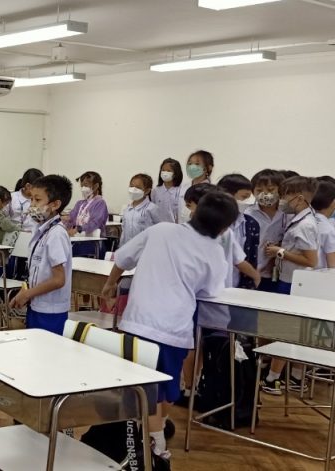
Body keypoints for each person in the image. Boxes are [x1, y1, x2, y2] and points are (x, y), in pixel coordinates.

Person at [101, 191, 237, 463]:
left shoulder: (161, 230)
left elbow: (122, 259)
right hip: (173, 328)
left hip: (137, 322)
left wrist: (110, 284)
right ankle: (156, 446)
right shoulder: (214, 252)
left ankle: (153, 434)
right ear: (224, 228)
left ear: (195, 211)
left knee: (144, 387)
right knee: (166, 386)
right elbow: (210, 291)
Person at [261, 176, 321, 395]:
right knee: (290, 330)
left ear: (299, 198)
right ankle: (295, 376)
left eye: (285, 196)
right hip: (291, 280)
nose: (281, 200)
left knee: (285, 332)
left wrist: (280, 252)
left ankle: (273, 378)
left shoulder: (305, 225)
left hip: (294, 283)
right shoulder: (301, 219)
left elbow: (311, 260)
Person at [8, 175, 74, 335]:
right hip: (37, 304)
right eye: (31, 199)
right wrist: (26, 292)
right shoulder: (42, 230)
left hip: (51, 311)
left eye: (37, 200)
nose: (32, 205)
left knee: (46, 348)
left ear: (55, 204)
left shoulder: (56, 234)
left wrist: (27, 294)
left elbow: (59, 280)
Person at [185, 184, 261, 289]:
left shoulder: (226, 233)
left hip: (223, 288)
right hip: (194, 288)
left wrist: (256, 276)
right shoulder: (185, 232)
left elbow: (238, 260)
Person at [217, 174, 262, 289]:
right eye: (244, 197)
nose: (245, 202)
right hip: (211, 283)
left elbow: (250, 256)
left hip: (238, 284)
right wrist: (255, 276)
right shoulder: (209, 223)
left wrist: (254, 277)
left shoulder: (250, 224)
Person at [245, 169, 287, 292]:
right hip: (252, 271)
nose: (265, 194)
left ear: (281, 190)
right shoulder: (248, 214)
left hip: (277, 273)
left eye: (270, 189)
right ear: (252, 192)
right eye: (259, 190)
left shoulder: (287, 215)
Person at [66, 171, 108, 259]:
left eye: (85, 185)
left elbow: (95, 223)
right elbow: (71, 218)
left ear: (96, 186)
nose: (83, 188)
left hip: (92, 244)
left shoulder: (100, 203)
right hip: (78, 240)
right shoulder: (80, 203)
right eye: (81, 186)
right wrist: (64, 222)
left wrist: (78, 229)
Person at [311, 180, 335, 269]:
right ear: (334, 202)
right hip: (317, 274)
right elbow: (332, 264)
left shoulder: (306, 220)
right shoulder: (328, 229)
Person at [121, 173, 160, 246]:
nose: (133, 189)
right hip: (128, 247)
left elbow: (159, 230)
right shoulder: (127, 209)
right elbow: (124, 232)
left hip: (145, 248)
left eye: (138, 187)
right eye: (131, 186)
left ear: (147, 191)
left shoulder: (152, 208)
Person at [177, 150, 215, 223]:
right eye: (190, 163)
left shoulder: (212, 190)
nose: (192, 167)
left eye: (197, 164)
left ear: (209, 167)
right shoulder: (183, 187)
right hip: (181, 226)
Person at [152, 157, 184, 224]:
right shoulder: (155, 191)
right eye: (163, 170)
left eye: (169, 171)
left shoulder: (181, 191)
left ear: (175, 174)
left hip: (175, 227)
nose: (165, 173)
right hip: (158, 226)